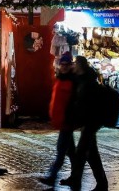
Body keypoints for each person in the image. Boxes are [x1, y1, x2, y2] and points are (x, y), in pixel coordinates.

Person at [65, 56, 108, 191]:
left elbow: (86, 103)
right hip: (87, 122)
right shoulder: (82, 79)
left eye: (75, 63)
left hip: (91, 122)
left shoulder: (89, 82)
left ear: (80, 65)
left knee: (81, 153)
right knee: (91, 154)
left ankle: (80, 180)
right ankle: (100, 183)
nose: (73, 65)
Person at [39, 52, 76, 187]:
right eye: (62, 64)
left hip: (67, 121)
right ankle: (75, 176)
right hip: (62, 121)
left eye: (67, 64)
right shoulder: (61, 78)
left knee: (61, 151)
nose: (64, 67)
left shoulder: (72, 80)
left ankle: (52, 177)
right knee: (71, 152)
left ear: (71, 65)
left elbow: (71, 102)